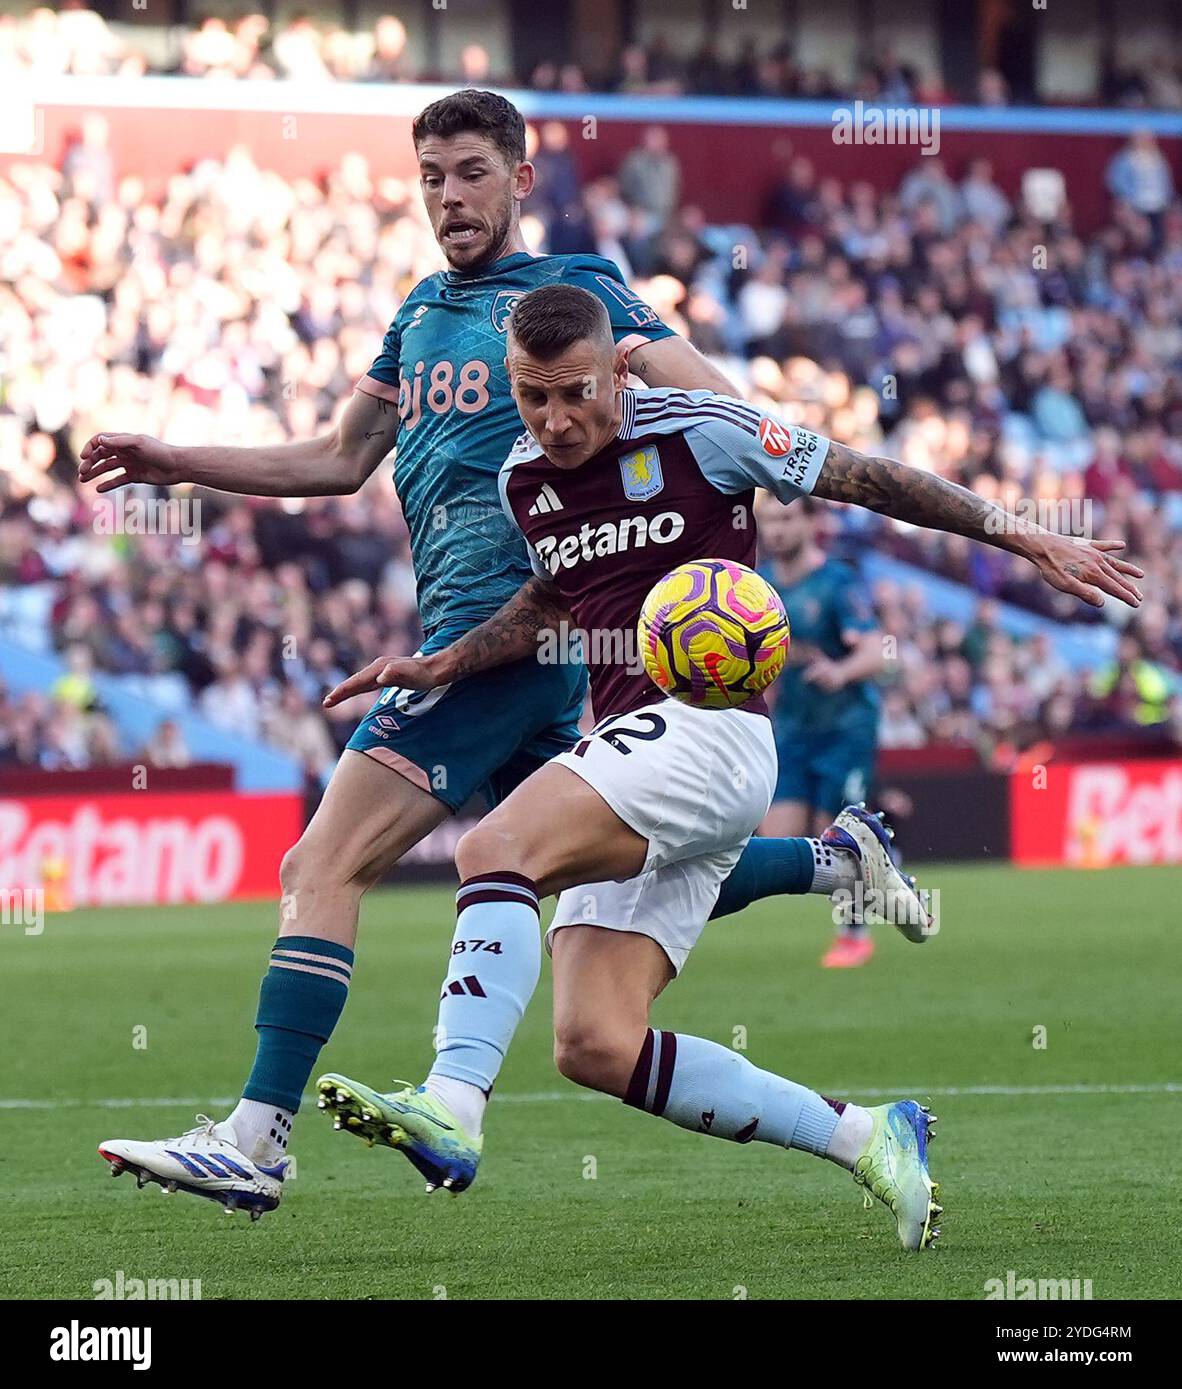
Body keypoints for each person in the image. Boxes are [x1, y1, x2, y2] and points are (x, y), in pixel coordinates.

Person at [87, 91, 891, 1220]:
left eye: (469, 172)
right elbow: (333, 459)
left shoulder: (577, 292)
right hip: (498, 650)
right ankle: (832, 864)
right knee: (603, 883)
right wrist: (175, 455)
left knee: (322, 866)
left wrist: (776, 490)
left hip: (505, 641)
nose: (448, 196)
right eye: (428, 176)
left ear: (520, 177)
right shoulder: (416, 316)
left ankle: (261, 1136)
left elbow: (718, 405)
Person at [313, 283, 1142, 1248]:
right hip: (637, 747)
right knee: (595, 1042)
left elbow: (869, 477)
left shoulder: (707, 431)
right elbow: (553, 597)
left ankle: (454, 1100)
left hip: (708, 728)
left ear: (619, 365)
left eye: (573, 392)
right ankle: (869, 1133)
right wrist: (446, 659)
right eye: (532, 397)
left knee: (493, 847)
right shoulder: (521, 478)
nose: (554, 418)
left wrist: (1021, 532)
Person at [758, 497, 886, 968]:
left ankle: (854, 933)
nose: (776, 530)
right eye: (769, 520)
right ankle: (882, 854)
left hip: (845, 727)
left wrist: (840, 671)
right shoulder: (758, 588)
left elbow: (876, 653)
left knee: (831, 834)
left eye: (787, 518)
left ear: (811, 523)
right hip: (791, 729)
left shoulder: (837, 583)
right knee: (778, 840)